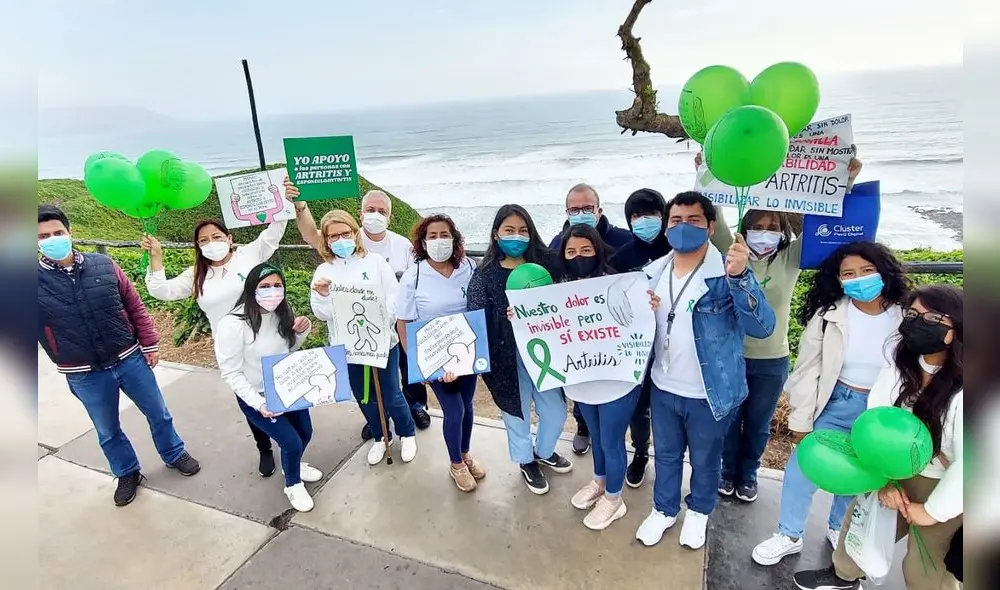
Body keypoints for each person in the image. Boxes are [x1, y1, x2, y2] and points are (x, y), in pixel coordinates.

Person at [705, 152, 863, 504]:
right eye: (758, 227)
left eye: (773, 228)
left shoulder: (790, 258)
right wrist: (708, 170)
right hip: (731, 354)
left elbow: (828, 226)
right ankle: (727, 472)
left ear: (783, 233)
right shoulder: (732, 251)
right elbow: (713, 210)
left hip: (772, 359)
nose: (765, 233)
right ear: (745, 230)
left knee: (759, 424)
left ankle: (748, 474)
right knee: (729, 421)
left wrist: (844, 182)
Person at [751, 241, 911, 566]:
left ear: (884, 272)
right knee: (802, 469)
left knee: (859, 474)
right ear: (838, 280)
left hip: (882, 411)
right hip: (836, 401)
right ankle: (789, 534)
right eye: (848, 274)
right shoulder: (830, 315)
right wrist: (800, 420)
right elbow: (807, 369)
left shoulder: (907, 316)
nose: (859, 279)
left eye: (867, 271)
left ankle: (839, 527)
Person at [794, 284, 963, 590]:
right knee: (858, 531)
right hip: (893, 470)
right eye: (912, 314)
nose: (916, 322)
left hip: (945, 484)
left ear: (958, 328)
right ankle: (843, 577)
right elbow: (875, 422)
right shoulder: (900, 367)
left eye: (931, 318)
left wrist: (931, 511)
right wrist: (884, 482)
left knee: (925, 567)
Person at [635, 191, 775, 550]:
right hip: (663, 386)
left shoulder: (725, 275)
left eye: (694, 220)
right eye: (676, 221)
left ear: (711, 227)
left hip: (709, 393)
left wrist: (741, 276)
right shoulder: (650, 275)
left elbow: (762, 327)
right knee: (664, 455)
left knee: (706, 459)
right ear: (666, 229)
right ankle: (664, 509)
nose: (684, 227)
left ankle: (698, 511)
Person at [37, 204, 200, 507]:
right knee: (107, 430)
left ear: (69, 232)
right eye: (43, 236)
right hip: (83, 372)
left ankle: (174, 453)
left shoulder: (104, 264)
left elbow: (134, 305)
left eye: (57, 232)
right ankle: (127, 473)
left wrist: (149, 343)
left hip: (129, 358)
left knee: (158, 413)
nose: (52, 239)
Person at [143, 215, 294, 478]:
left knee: (284, 391)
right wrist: (155, 256)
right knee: (250, 399)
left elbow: (276, 230)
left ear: (229, 239)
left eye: (216, 237)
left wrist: (285, 199)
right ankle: (264, 447)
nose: (211, 243)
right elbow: (161, 290)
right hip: (233, 347)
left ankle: (292, 446)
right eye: (203, 240)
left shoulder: (248, 255)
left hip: (270, 338)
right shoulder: (197, 275)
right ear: (198, 247)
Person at [283, 179, 430, 437]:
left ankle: (415, 410)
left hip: (390, 329)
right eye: (370, 210)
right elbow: (311, 236)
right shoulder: (330, 262)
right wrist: (300, 205)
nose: (375, 216)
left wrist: (388, 320)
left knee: (401, 379)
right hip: (350, 342)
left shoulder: (396, 248)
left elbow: (408, 286)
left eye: (382, 211)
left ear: (390, 216)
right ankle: (379, 425)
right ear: (360, 215)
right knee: (364, 391)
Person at [555, 224, 659, 530]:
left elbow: (642, 322)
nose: (578, 257)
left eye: (586, 250)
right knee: (598, 437)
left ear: (598, 251)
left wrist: (649, 306)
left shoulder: (620, 284)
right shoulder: (558, 289)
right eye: (571, 251)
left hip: (618, 380)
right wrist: (521, 317)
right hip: (581, 379)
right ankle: (600, 482)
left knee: (612, 441)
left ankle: (615, 501)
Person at [467, 204, 571, 495]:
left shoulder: (549, 263)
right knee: (517, 413)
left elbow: (570, 298)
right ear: (496, 235)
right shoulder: (485, 274)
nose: (517, 236)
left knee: (557, 412)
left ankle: (544, 450)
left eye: (523, 230)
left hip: (544, 353)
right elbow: (475, 315)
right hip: (505, 358)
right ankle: (526, 461)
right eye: (509, 230)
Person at [309, 210, 417, 466]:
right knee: (364, 394)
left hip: (382, 342)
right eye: (333, 236)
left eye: (345, 233)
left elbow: (394, 298)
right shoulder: (325, 270)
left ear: (354, 233)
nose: (341, 239)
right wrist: (323, 295)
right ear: (326, 240)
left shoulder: (376, 262)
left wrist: (382, 322)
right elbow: (322, 313)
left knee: (391, 392)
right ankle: (381, 436)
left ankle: (407, 432)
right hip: (347, 347)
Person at [214, 263, 318, 512]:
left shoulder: (283, 311)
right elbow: (230, 372)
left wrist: (302, 331)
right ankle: (292, 483)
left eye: (277, 285)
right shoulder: (233, 324)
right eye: (265, 286)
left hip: (286, 387)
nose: (272, 291)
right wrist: (258, 403)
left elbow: (288, 349)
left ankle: (293, 463)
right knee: (290, 441)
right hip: (257, 395)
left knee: (305, 432)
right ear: (252, 289)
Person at [395, 214, 484, 491]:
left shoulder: (469, 267)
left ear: (454, 238)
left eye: (444, 234)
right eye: (432, 236)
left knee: (468, 406)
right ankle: (455, 463)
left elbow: (479, 307)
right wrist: (417, 364)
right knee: (454, 409)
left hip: (466, 352)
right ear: (423, 242)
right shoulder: (414, 275)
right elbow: (403, 322)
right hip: (433, 356)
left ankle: (466, 453)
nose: (438, 240)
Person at [549, 183, 633, 456]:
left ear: (599, 210)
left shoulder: (623, 239)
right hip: (576, 341)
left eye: (587, 208)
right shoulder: (557, 243)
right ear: (566, 212)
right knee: (581, 386)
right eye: (575, 209)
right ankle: (582, 428)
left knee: (616, 410)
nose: (581, 213)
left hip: (615, 342)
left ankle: (637, 450)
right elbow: (546, 292)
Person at [608, 187, 671, 488]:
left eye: (652, 214)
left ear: (663, 216)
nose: (644, 220)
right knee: (638, 406)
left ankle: (669, 460)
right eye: (636, 215)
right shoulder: (621, 257)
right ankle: (641, 453)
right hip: (635, 346)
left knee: (669, 408)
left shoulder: (677, 249)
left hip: (673, 342)